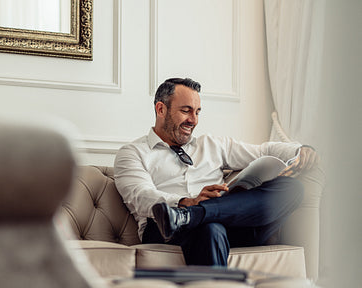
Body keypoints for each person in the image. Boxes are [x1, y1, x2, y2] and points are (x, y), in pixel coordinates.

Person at [114, 78, 318, 266]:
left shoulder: (213, 145)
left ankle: (192, 216)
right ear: (161, 109)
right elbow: (141, 196)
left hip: (232, 224)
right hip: (165, 230)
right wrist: (187, 202)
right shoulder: (132, 153)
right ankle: (188, 218)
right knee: (211, 228)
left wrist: (300, 150)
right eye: (186, 111)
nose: (193, 120)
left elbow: (264, 150)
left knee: (293, 188)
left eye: (197, 112)